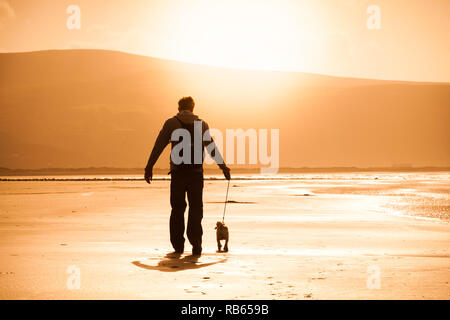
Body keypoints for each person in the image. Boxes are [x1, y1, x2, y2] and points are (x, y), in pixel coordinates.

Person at [144, 96, 231, 256]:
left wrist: (149, 166)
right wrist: (223, 167)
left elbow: (159, 145)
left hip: (178, 173)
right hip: (196, 173)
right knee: (196, 208)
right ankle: (196, 243)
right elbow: (211, 148)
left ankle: (178, 245)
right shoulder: (202, 124)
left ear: (179, 108)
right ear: (192, 108)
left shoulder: (171, 123)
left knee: (177, 209)